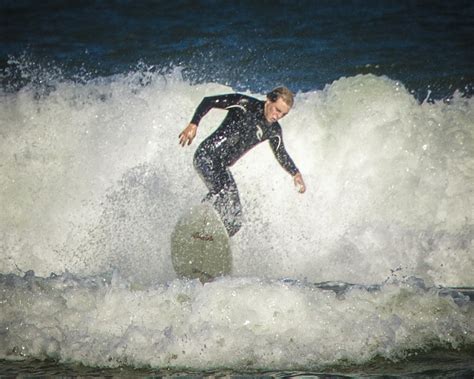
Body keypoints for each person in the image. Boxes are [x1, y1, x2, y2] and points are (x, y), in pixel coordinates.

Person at [179, 86, 306, 237]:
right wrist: (194, 123)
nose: (278, 116)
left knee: (235, 221)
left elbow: (281, 153)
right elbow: (209, 101)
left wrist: (295, 173)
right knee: (222, 192)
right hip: (206, 156)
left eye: (283, 114)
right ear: (268, 100)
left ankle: (210, 239)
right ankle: (196, 224)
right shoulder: (244, 104)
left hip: (221, 167)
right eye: (277, 110)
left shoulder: (273, 130)